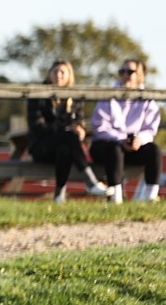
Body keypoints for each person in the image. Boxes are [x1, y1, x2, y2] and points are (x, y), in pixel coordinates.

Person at [26, 60, 108, 202]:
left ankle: (59, 195)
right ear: (49, 74)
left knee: (66, 146)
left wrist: (80, 130)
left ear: (69, 75)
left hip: (66, 149)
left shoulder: (74, 98)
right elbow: (38, 129)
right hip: (42, 148)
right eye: (55, 71)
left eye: (62, 72)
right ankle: (90, 182)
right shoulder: (38, 96)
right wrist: (63, 129)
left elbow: (79, 121)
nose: (59, 75)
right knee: (68, 137)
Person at [90, 59, 162, 203]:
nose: (125, 75)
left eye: (130, 71)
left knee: (154, 150)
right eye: (122, 71)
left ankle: (150, 197)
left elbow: (150, 129)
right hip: (107, 146)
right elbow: (100, 127)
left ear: (140, 75)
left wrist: (139, 139)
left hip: (134, 147)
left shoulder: (147, 99)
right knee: (114, 149)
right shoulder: (108, 97)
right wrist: (121, 139)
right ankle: (115, 198)